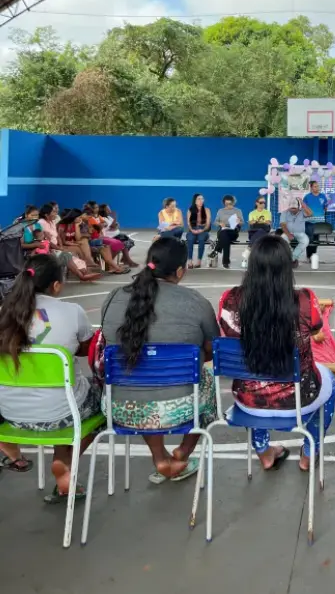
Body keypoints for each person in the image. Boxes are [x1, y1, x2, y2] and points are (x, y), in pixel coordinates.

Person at [100, 237, 219, 481]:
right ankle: (183, 453)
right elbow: (212, 349)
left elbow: (106, 341)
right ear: (179, 270)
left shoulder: (113, 297)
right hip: (176, 407)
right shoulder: (195, 302)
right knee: (206, 383)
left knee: (139, 379)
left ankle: (160, 457)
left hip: (118, 407)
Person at [218, 234, 335, 472]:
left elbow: (226, 331)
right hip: (299, 397)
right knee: (331, 382)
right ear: (287, 266)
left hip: (247, 398)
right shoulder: (305, 299)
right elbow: (315, 327)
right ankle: (308, 452)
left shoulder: (230, 299)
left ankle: (263, 451)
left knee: (253, 378)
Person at [0, 255, 102, 501]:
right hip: (60, 415)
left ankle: (17, 452)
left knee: (68, 398)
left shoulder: (4, 312)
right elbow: (86, 350)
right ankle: (64, 460)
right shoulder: (72, 311)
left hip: (11, 416)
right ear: (56, 285)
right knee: (103, 406)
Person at [38, 205, 99, 283]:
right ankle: (83, 274)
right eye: (53, 212)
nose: (56, 214)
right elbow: (47, 241)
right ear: (46, 214)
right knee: (69, 254)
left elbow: (58, 237)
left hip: (57, 247)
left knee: (73, 252)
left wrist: (60, 246)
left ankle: (85, 272)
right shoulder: (42, 223)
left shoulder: (52, 222)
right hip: (49, 248)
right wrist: (59, 247)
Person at [212, 195, 244, 269]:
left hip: (233, 231)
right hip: (222, 230)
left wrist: (239, 222)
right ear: (224, 203)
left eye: (230, 204)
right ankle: (225, 262)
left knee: (225, 236)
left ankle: (216, 250)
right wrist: (220, 223)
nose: (229, 206)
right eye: (226, 204)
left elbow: (242, 223)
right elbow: (215, 222)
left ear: (233, 203)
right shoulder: (220, 211)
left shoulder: (237, 211)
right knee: (224, 236)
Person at [279, 200, 309, 267]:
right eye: (291, 208)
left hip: (300, 233)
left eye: (294, 208)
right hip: (288, 233)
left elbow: (310, 214)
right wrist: (288, 234)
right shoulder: (284, 213)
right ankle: (290, 256)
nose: (292, 210)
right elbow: (283, 225)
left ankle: (293, 258)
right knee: (282, 239)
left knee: (305, 241)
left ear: (298, 207)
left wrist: (303, 204)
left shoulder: (303, 212)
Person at [302, 180, 328, 259]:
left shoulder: (323, 196)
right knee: (309, 239)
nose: (317, 188)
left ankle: (314, 255)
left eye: (318, 186)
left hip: (319, 222)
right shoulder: (307, 197)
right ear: (311, 188)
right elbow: (304, 208)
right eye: (315, 186)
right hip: (309, 222)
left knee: (316, 239)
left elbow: (325, 207)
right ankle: (308, 256)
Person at [186, 193, 211, 268]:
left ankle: (199, 261)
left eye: (202, 199)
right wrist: (192, 230)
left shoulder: (207, 210)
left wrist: (202, 230)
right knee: (190, 239)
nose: (201, 201)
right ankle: (190, 261)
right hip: (193, 229)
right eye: (199, 199)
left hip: (203, 230)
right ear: (195, 201)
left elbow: (208, 224)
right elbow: (188, 223)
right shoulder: (190, 210)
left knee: (201, 239)